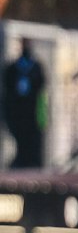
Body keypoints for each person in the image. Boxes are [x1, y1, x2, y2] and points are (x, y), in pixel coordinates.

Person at [3, 41, 46, 170]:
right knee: (21, 141)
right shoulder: (13, 68)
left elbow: (41, 87)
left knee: (32, 141)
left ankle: (31, 163)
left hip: (31, 111)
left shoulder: (36, 67)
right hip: (18, 111)